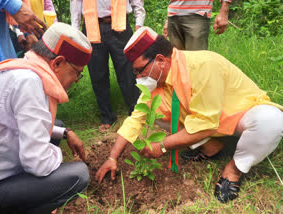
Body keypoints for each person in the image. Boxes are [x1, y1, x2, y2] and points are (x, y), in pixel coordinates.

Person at [96, 27, 283, 203]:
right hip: (208, 124)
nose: (137, 77)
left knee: (271, 121)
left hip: (238, 117)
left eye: (140, 69)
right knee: (156, 111)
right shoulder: (158, 80)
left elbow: (207, 123)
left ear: (160, 60)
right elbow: (136, 118)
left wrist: (161, 146)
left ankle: (234, 169)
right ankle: (213, 147)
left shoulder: (203, 66)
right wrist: (112, 157)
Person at [0, 22, 92, 213]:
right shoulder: (29, 83)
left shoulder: (20, 70)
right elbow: (37, 163)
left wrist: (65, 133)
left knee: (56, 127)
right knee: (79, 175)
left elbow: (15, 124)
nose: (75, 80)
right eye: (77, 73)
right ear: (57, 63)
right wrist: (53, 153)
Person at [70, 0, 145, 132]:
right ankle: (107, 117)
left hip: (121, 26)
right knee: (97, 74)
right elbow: (75, 4)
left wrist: (139, 24)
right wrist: (75, 33)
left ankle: (136, 113)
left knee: (127, 71)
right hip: (92, 26)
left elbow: (137, 2)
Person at [162, 0, 231, 50]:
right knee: (177, 62)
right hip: (173, 15)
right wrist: (168, 20)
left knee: (197, 62)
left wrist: (224, 12)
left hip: (198, 14)